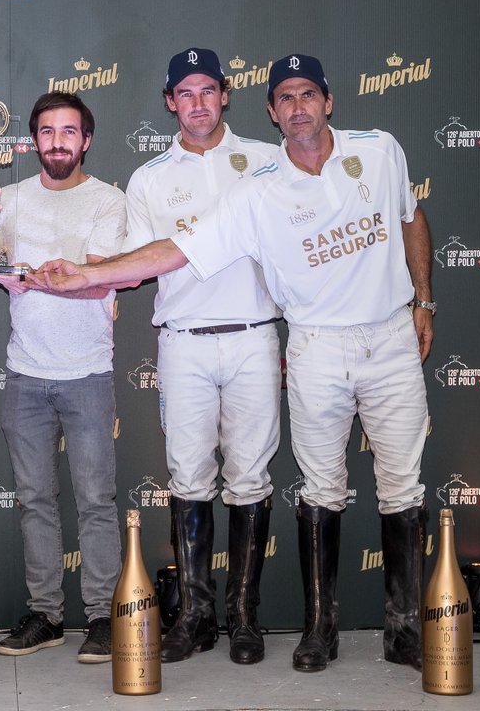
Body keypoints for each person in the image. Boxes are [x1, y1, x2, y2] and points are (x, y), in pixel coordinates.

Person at [33, 54, 434, 673]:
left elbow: (411, 216)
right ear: (272, 110)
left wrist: (424, 299)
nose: (298, 108)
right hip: (266, 342)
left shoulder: (372, 152)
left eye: (308, 95)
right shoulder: (248, 187)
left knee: (390, 484)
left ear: (326, 101)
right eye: (286, 99)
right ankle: (256, 623)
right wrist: (85, 273)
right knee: (278, 483)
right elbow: (167, 254)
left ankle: (392, 628)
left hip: (333, 337)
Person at [0, 91, 127, 664]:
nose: (57, 143)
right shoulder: (11, 201)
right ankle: (45, 615)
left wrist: (24, 275)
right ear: (34, 140)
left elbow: (100, 280)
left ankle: (102, 618)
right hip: (25, 376)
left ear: (86, 140)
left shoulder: (109, 201)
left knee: (96, 501)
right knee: (34, 500)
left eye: (68, 132)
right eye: (47, 132)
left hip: (88, 373)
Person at [123, 48, 282, 665]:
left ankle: (244, 616)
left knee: (249, 478)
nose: (197, 103)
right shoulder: (148, 179)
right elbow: (137, 265)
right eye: (184, 93)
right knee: (188, 477)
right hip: (184, 341)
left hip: (252, 336)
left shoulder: (268, 162)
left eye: (208, 91)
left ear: (225, 95)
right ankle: (195, 615)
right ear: (170, 102)